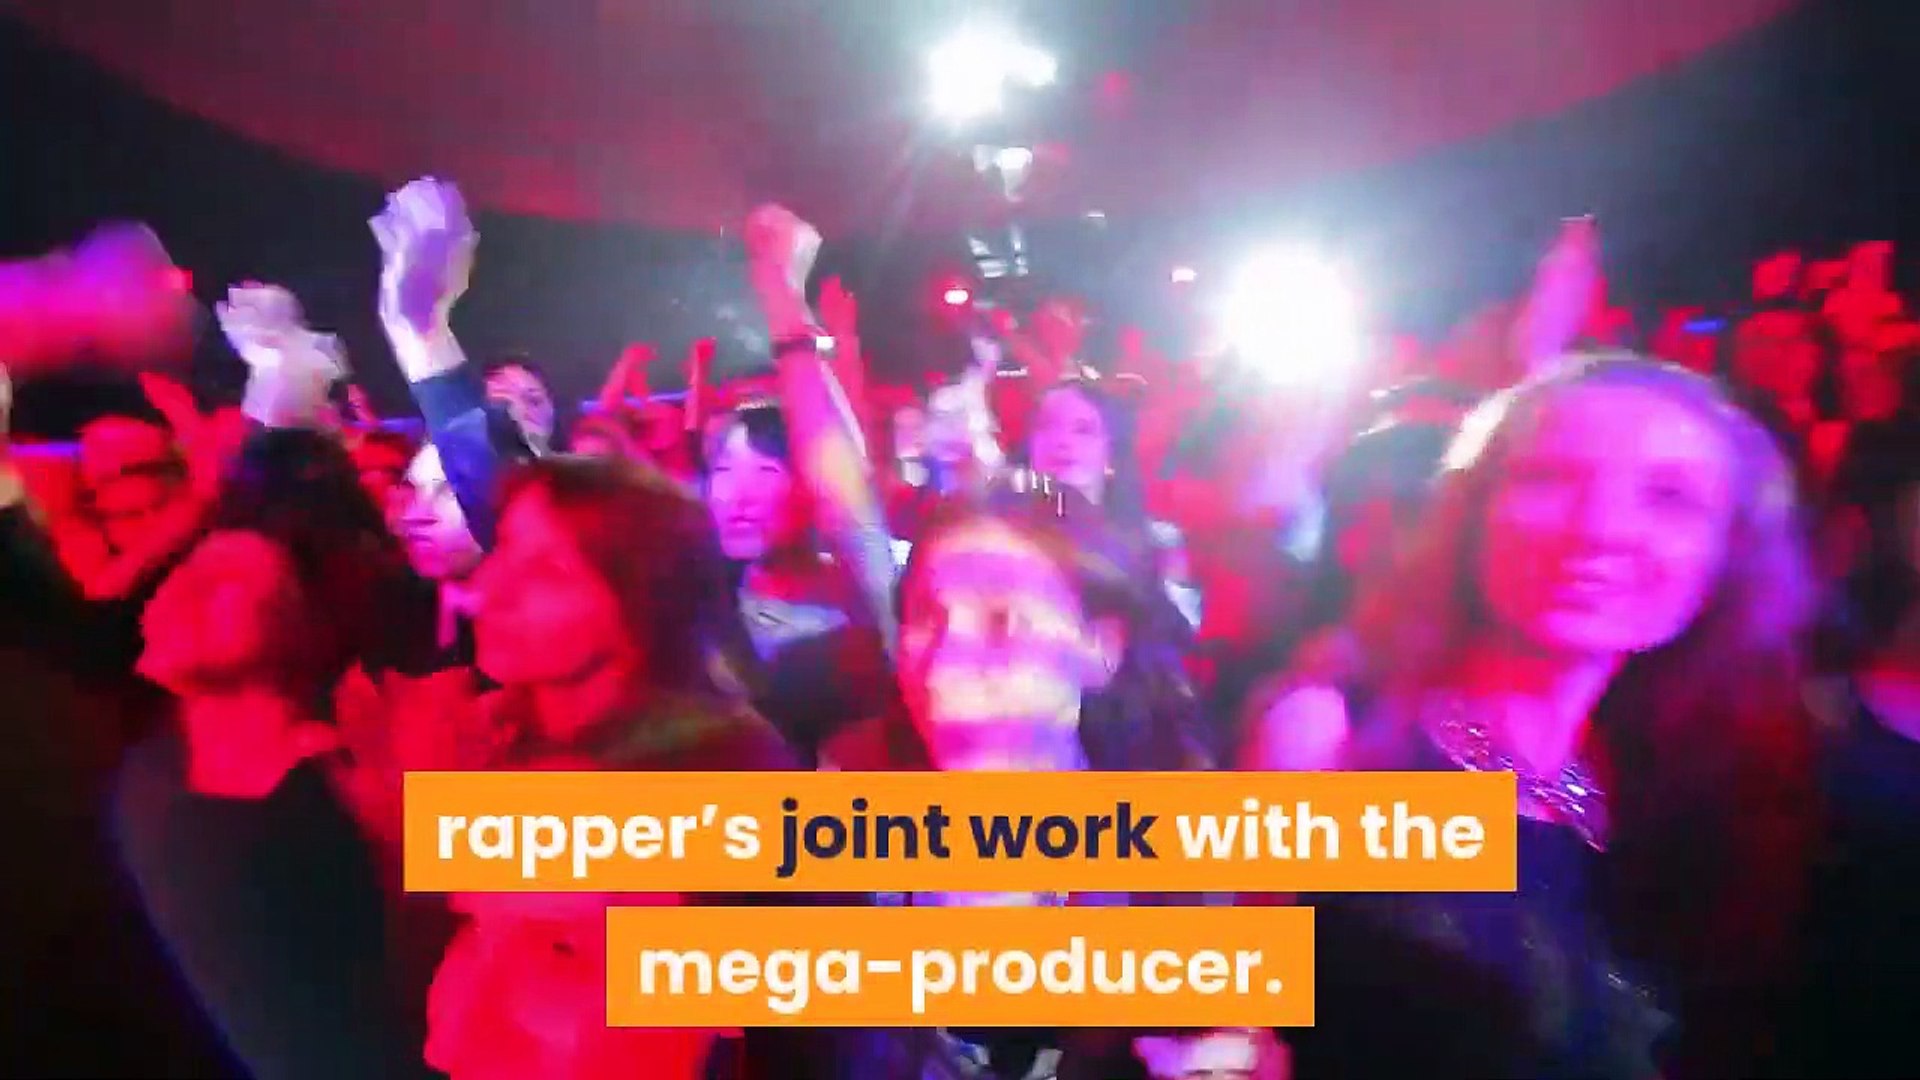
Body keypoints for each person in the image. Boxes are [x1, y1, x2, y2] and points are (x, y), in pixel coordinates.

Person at [1248, 356, 1817, 1078]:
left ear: (1725, 557)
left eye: (1670, 497)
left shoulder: (1662, 791)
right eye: (1551, 478)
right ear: (1472, 510)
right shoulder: (1332, 736)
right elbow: (1200, 1021)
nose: (1601, 528)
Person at [114, 427, 432, 1080]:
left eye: (229, 581)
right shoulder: (149, 781)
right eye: (191, 572)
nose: (191, 590)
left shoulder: (360, 778)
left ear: (302, 625)